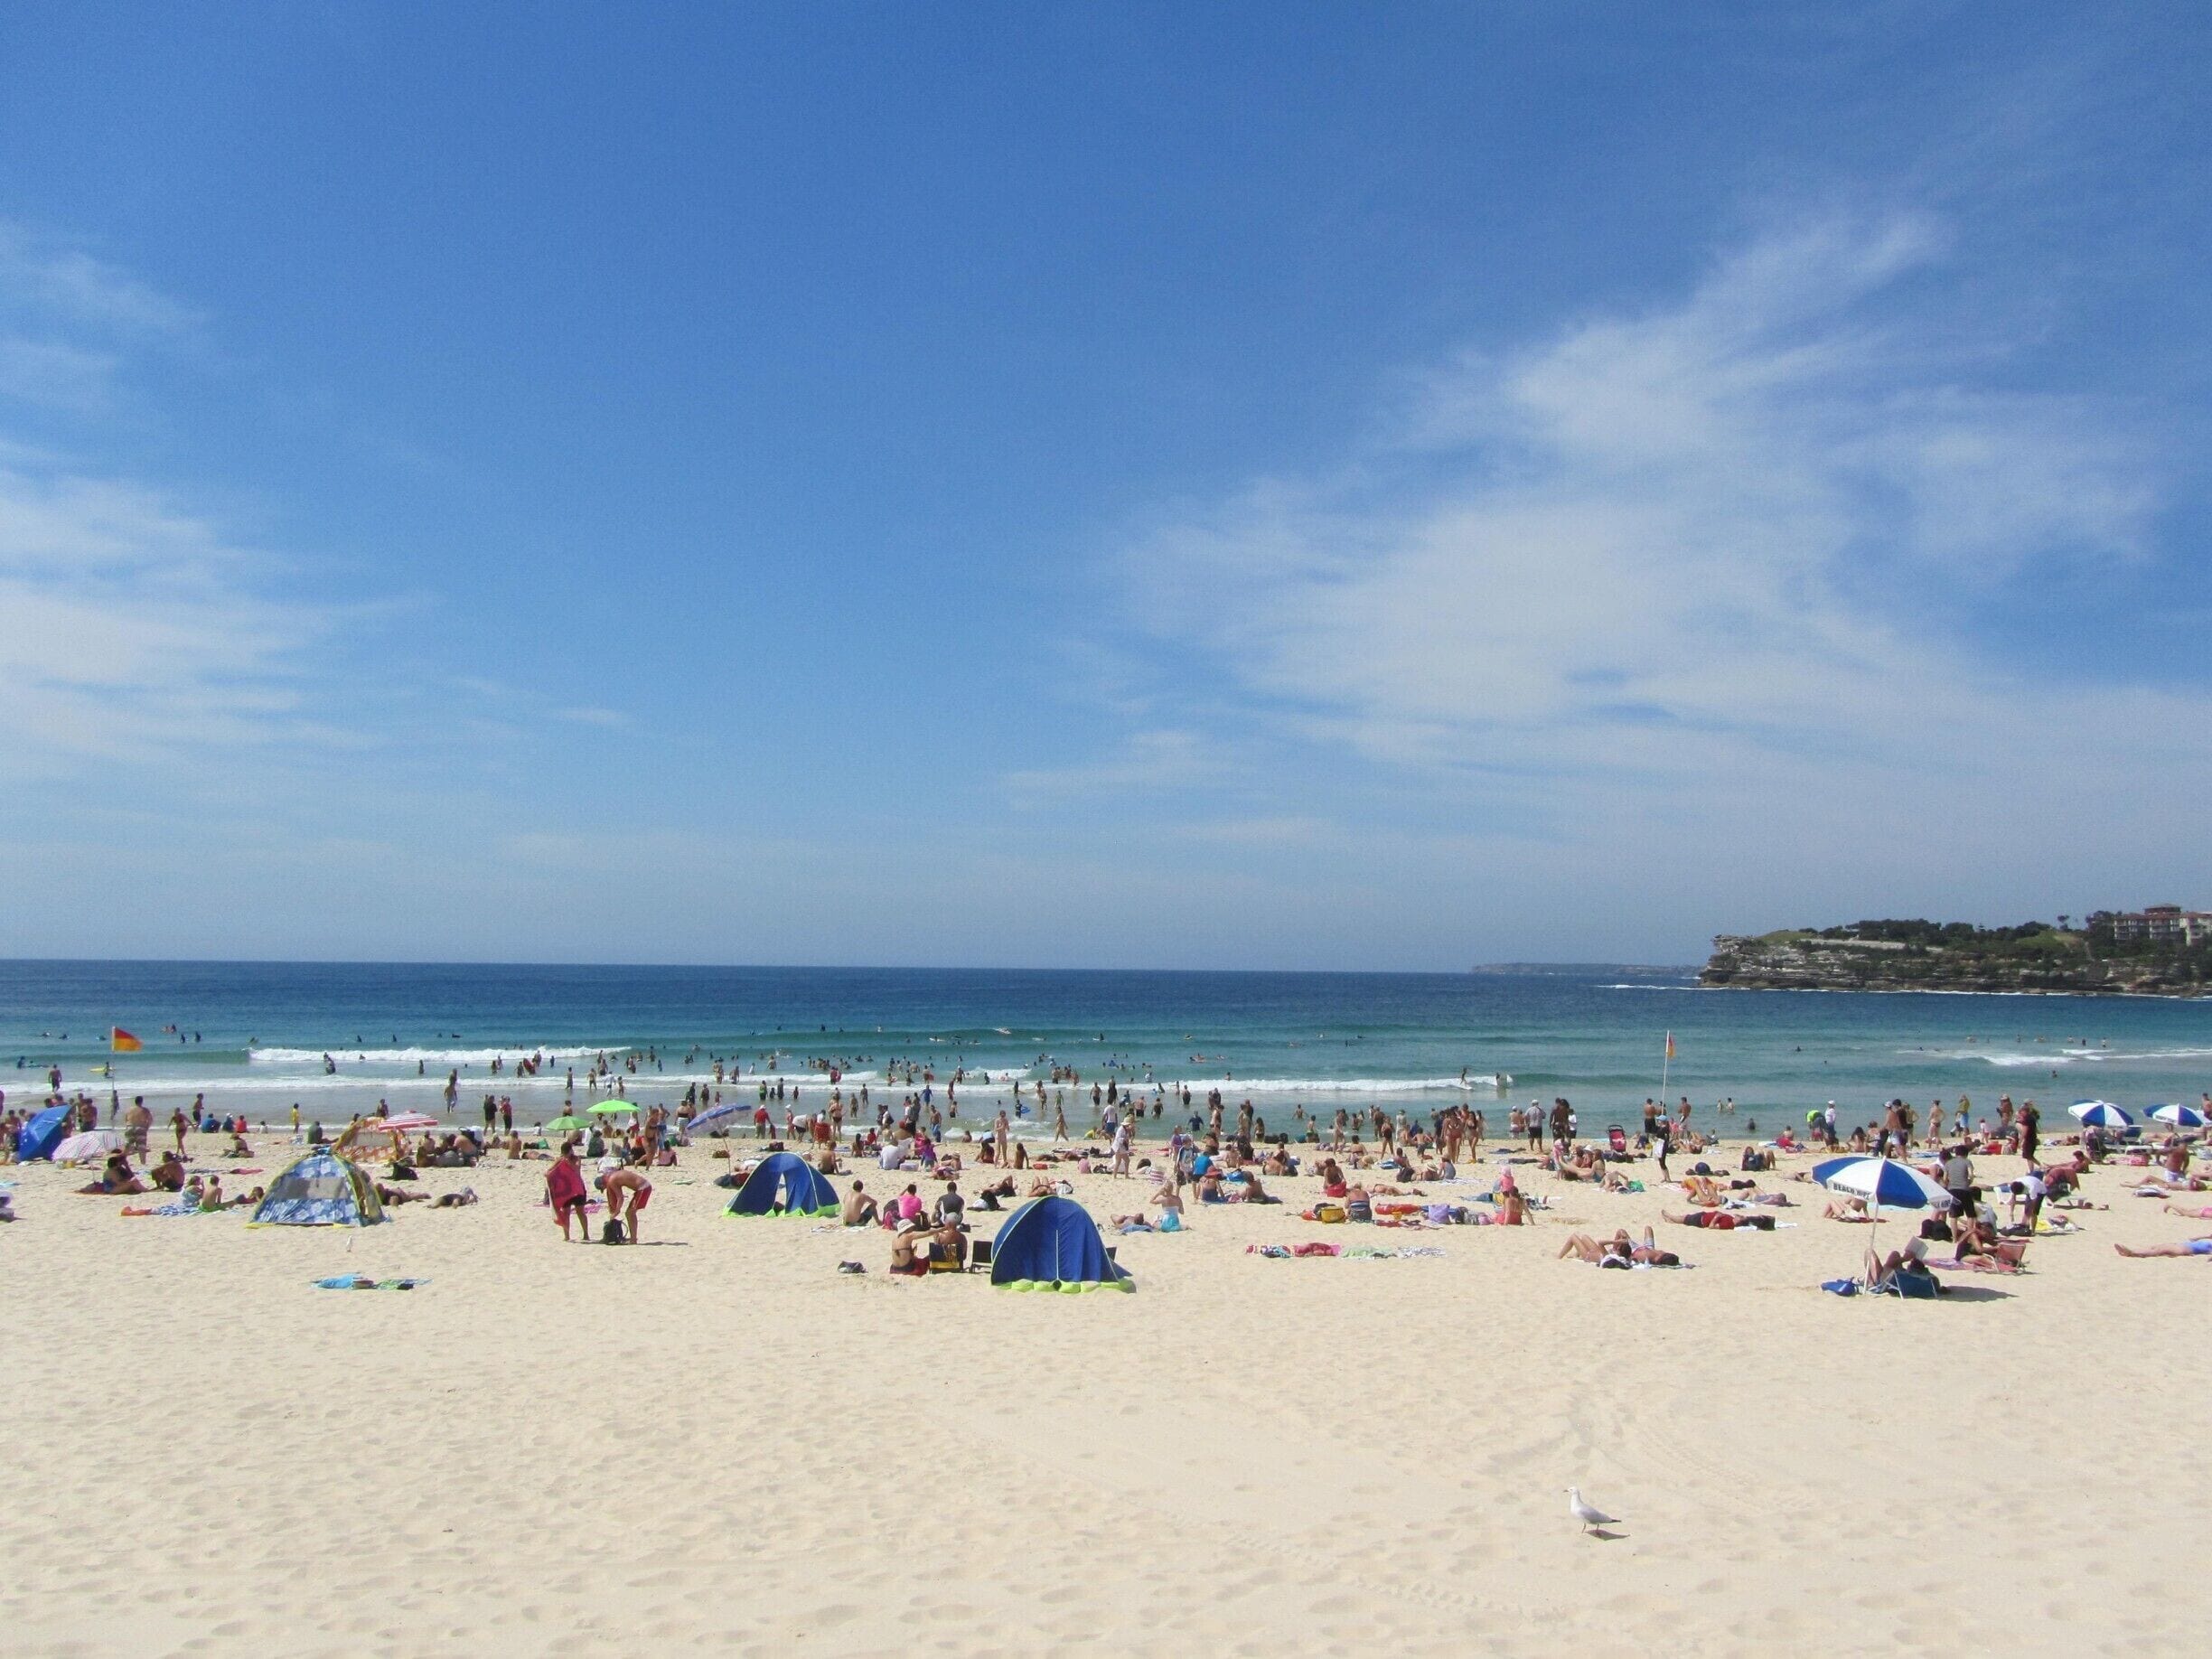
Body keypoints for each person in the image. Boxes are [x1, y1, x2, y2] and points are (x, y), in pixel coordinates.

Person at [545, 1140, 590, 1242]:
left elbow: (576, 1168)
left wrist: (568, 1161)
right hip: (565, 1190)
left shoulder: (576, 1159)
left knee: (580, 1212)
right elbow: (549, 1172)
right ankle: (567, 1236)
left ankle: (586, 1234)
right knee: (566, 1213)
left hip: (578, 1189)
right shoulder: (559, 1160)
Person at [601, 1166, 652, 1242]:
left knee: (630, 1213)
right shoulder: (614, 1176)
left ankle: (633, 1239)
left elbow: (620, 1197)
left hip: (643, 1188)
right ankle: (633, 1238)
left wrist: (617, 1212)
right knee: (630, 1213)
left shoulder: (611, 1180)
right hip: (642, 1188)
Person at [2114, 1236, 2212, 1258]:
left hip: (2185, 1249)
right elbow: (2193, 1238)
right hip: (2182, 1244)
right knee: (2155, 1247)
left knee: (2159, 1250)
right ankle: (2132, 1251)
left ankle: (2131, 1253)